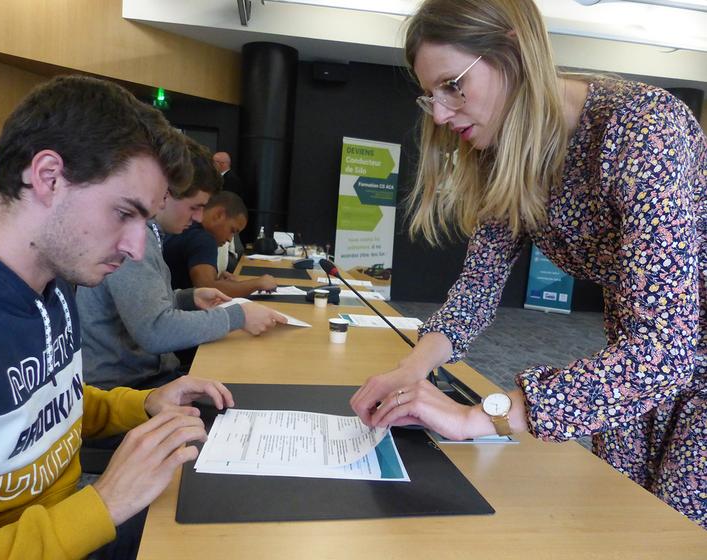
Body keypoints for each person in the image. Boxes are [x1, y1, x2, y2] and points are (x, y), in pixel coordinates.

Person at [350, 0, 706, 529]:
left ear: (513, 51)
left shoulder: (643, 130)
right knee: (618, 521)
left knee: (675, 530)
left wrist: (480, 416)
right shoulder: (511, 148)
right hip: (632, 357)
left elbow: (665, 350)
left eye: (453, 85)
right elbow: (478, 287)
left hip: (672, 355)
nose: (442, 114)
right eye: (432, 96)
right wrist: (410, 369)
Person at [0, 75, 235, 559]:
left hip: (76, 526)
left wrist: (143, 404)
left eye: (143, 222)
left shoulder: (56, 281)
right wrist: (105, 504)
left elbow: (47, 408)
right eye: (123, 213)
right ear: (47, 177)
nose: (134, 248)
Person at [77, 142, 287, 391]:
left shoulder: (151, 236)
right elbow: (155, 330)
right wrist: (237, 316)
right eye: (194, 207)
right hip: (129, 388)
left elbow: (142, 308)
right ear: (165, 193)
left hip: (146, 378)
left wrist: (188, 298)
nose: (198, 218)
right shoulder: (136, 241)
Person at [163, 190, 278, 297]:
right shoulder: (204, 238)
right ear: (219, 214)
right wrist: (258, 283)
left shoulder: (185, 230)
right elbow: (208, 289)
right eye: (232, 231)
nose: (229, 239)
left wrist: (219, 282)